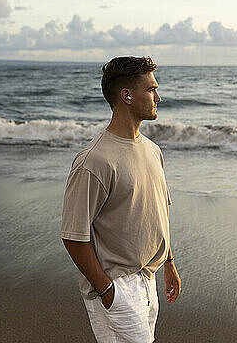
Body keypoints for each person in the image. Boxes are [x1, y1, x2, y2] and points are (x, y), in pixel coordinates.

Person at [61, 56, 181, 342]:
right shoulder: (95, 160)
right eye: (151, 89)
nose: (158, 97)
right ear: (126, 95)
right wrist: (107, 291)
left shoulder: (152, 150)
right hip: (117, 286)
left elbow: (157, 213)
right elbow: (73, 235)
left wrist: (169, 263)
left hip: (147, 279)